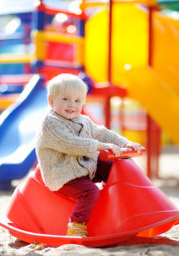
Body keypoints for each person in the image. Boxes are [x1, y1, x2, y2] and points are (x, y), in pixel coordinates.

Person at [35, 73, 144, 237]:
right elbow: (70, 143)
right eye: (65, 99)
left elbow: (102, 132)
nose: (72, 105)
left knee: (117, 166)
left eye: (78, 101)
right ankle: (76, 225)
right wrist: (100, 146)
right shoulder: (50, 123)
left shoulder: (83, 120)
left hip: (85, 167)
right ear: (51, 101)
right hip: (64, 175)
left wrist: (125, 143)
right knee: (90, 191)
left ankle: (123, 205)